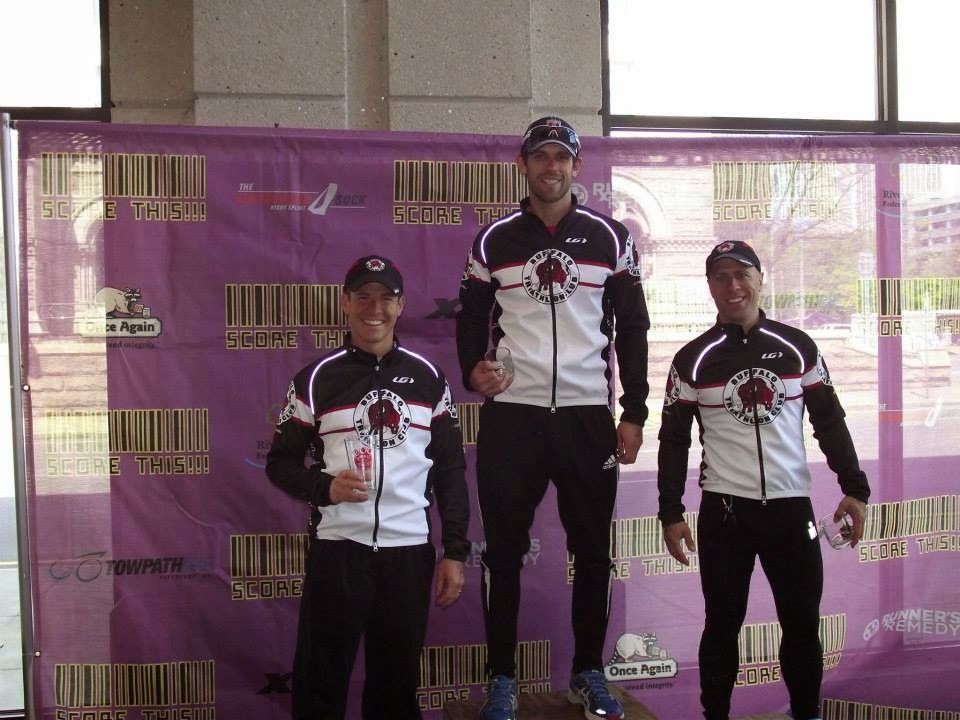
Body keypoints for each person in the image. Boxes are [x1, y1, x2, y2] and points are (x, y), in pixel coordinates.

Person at [456, 116, 650, 720]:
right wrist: (471, 370)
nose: (551, 167)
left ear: (576, 167)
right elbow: (470, 318)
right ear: (523, 165)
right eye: (540, 156)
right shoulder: (494, 240)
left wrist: (634, 412)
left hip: (587, 418)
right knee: (503, 553)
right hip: (513, 418)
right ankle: (502, 679)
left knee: (593, 552)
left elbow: (634, 329)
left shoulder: (611, 237)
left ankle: (589, 671)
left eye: (561, 157)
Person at [657, 241, 871, 720]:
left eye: (742, 275)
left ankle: (806, 713)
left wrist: (855, 489)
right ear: (710, 286)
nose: (733, 286)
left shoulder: (798, 347)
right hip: (725, 512)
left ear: (760, 279)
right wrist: (670, 512)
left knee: (802, 624)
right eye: (721, 277)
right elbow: (673, 441)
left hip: (791, 510)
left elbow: (830, 421)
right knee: (721, 625)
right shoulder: (693, 358)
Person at [266, 255, 470, 720]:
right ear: (345, 303)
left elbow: (451, 470)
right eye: (363, 297)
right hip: (339, 549)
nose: (374, 309)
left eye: (385, 298)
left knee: (395, 689)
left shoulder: (429, 378)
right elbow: (279, 464)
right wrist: (324, 488)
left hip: (408, 552)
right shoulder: (316, 379)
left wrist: (455, 551)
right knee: (320, 685)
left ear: (401, 305)